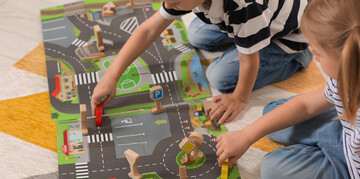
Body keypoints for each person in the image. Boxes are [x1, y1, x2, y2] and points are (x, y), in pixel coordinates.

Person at [216, 0, 360, 179]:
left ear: (346, 58)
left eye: (317, 52)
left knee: (272, 171)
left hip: (353, 173)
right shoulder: (348, 72)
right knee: (272, 113)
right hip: (346, 129)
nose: (313, 54)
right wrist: (248, 134)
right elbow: (305, 104)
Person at [91, 0, 312, 123]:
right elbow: (149, 29)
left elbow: (250, 61)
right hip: (248, 18)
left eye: (175, 1)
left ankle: (298, 57)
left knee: (220, 77)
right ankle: (244, 37)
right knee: (197, 36)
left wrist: (238, 98)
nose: (169, 3)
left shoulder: (245, 8)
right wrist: (112, 75)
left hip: (289, 35)